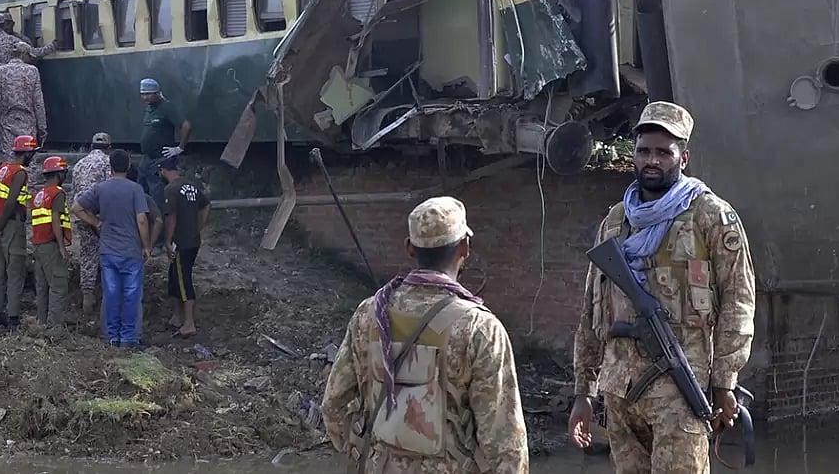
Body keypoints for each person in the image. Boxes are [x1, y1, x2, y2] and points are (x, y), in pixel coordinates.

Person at [570, 101, 756, 474]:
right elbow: (593, 307)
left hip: (678, 389)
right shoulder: (617, 219)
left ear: (682, 158)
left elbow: (739, 301)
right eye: (644, 151)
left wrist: (725, 381)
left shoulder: (711, 216)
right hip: (620, 392)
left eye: (663, 152)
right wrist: (583, 391)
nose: (652, 160)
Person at [321, 196, 530, 474]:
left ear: (409, 248)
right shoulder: (479, 328)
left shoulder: (369, 314)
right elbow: (505, 443)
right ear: (465, 248)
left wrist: (366, 451)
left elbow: (333, 405)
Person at [71, 149, 150, 349]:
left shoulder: (101, 188)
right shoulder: (136, 190)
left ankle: (111, 337)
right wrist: (147, 245)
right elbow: (142, 220)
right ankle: (128, 338)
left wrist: (96, 223)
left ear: (110, 167)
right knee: (131, 295)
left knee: (111, 293)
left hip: (108, 251)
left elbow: (76, 208)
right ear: (129, 166)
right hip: (131, 251)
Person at [0, 135, 38, 331]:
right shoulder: (20, 173)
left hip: (0, 224)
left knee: (0, 270)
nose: (33, 156)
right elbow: (11, 202)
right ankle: (13, 317)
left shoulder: (1, 169)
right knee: (15, 271)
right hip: (12, 226)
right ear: (26, 153)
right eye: (31, 153)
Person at [158, 157, 209, 337]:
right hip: (193, 239)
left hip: (180, 242)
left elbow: (170, 217)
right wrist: (199, 226)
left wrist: (168, 240)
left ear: (165, 170)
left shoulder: (170, 190)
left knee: (183, 280)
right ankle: (177, 317)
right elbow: (205, 206)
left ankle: (189, 323)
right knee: (175, 277)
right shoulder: (192, 186)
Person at [68, 131, 113, 314]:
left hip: (80, 213)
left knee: (87, 254)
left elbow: (74, 191)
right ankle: (106, 296)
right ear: (109, 147)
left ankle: (87, 295)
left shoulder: (79, 164)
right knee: (108, 253)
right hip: (100, 215)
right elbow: (110, 190)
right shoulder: (108, 163)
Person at [29, 156, 71, 331]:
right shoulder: (58, 193)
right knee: (58, 285)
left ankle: (42, 322)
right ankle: (55, 328)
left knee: (42, 286)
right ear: (59, 174)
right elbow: (55, 219)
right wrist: (62, 246)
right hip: (51, 245)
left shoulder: (39, 194)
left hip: (38, 244)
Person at [138, 78, 190, 209]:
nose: (145, 97)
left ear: (157, 93)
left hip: (160, 159)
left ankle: (159, 225)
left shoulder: (167, 107)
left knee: (157, 197)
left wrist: (179, 148)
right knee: (141, 193)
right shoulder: (149, 108)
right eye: (143, 94)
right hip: (146, 159)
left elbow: (186, 126)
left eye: (148, 94)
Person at [0, 41, 47, 156]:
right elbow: (38, 102)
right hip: (28, 123)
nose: (30, 59)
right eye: (29, 56)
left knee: (9, 157)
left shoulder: (1, 71)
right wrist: (42, 127)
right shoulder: (32, 71)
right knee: (28, 158)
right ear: (23, 54)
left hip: (7, 123)